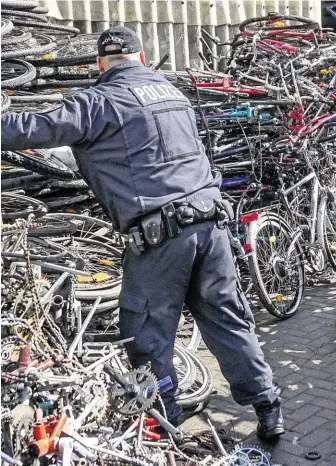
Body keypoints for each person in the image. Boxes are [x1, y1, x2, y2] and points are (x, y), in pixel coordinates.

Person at [1, 26, 284, 440]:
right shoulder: (174, 95)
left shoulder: (99, 101)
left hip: (162, 237)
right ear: (143, 58)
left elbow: (31, 128)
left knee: (145, 332)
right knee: (227, 319)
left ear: (99, 64)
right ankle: (268, 407)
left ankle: (165, 421)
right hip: (212, 225)